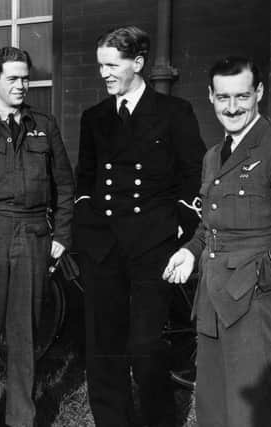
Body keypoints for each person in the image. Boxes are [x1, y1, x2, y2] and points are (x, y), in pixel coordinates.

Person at [74, 26, 205, 426]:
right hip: (103, 246)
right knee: (104, 346)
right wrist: (85, 224)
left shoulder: (173, 112)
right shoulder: (94, 117)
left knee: (147, 345)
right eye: (100, 66)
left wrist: (179, 229)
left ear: (138, 63)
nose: (104, 74)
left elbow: (192, 175)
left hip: (152, 245)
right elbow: (86, 180)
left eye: (112, 65)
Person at [163, 56, 271, 427]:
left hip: (255, 304)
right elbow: (209, 226)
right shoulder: (212, 157)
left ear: (259, 94)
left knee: (248, 412)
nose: (232, 107)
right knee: (212, 408)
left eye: (242, 96)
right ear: (210, 96)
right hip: (211, 301)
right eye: (223, 98)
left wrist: (255, 283)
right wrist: (190, 252)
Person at [0, 46, 74, 427]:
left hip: (33, 235)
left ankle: (20, 418)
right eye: (13, 78)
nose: (22, 85)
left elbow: (64, 186)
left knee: (25, 333)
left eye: (26, 77)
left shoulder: (45, 124)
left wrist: (61, 234)